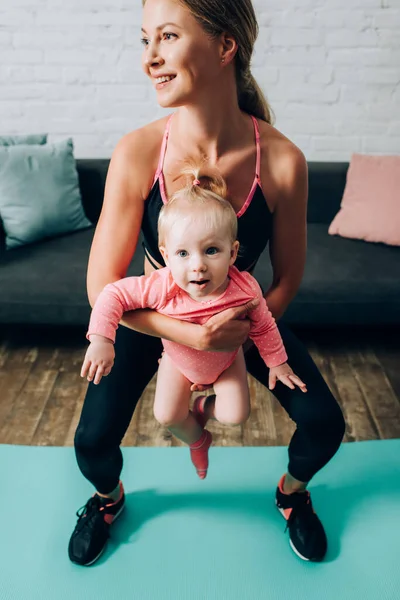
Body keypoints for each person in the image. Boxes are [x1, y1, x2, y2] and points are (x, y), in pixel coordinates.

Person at [68, 0, 345, 567]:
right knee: (91, 444)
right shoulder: (139, 152)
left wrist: (240, 335)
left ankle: (291, 496)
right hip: (152, 319)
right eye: (144, 40)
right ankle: (107, 500)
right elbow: (103, 286)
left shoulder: (285, 161)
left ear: (225, 46)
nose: (150, 58)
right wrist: (189, 338)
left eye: (167, 37)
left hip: (241, 323)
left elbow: (287, 278)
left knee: (325, 424)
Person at [80, 167, 308, 482]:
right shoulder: (161, 285)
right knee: (167, 415)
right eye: (183, 253)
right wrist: (102, 340)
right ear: (166, 255)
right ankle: (199, 440)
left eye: (211, 250)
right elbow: (111, 294)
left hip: (227, 360)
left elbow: (264, 324)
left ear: (233, 252)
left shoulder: (244, 289)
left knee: (235, 414)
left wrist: (278, 363)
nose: (197, 265)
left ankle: (202, 408)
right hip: (178, 359)